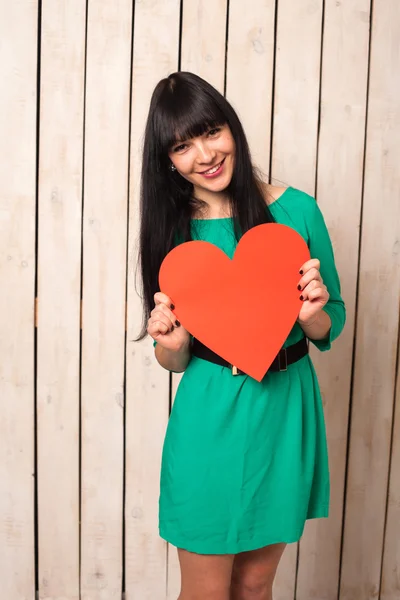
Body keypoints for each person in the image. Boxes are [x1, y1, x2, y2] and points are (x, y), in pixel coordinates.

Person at [136, 71, 346, 600]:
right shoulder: (173, 228)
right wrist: (171, 342)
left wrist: (311, 314)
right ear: (168, 161)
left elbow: (331, 324)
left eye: (211, 132)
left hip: (283, 410)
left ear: (232, 126)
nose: (204, 154)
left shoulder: (296, 210)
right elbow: (174, 358)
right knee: (206, 591)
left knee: (255, 586)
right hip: (209, 415)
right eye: (182, 146)